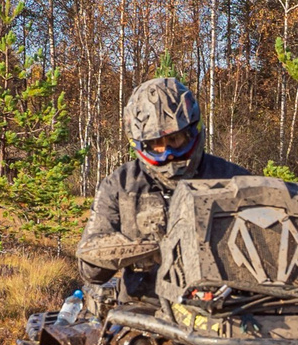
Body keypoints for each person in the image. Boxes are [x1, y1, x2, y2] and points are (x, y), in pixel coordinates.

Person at [75, 75, 243, 296]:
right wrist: (140, 249)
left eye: (175, 140)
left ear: (192, 131)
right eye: (156, 145)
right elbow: (90, 271)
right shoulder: (120, 185)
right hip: (144, 309)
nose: (168, 153)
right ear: (140, 144)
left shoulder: (233, 181)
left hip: (224, 305)